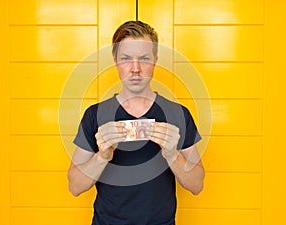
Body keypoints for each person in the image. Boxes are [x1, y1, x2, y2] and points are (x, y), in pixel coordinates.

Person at [67, 20, 205, 225]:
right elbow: (75, 187)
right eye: (126, 59)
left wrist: (172, 154)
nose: (135, 68)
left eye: (144, 59)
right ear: (115, 61)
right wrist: (102, 156)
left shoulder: (177, 114)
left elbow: (196, 185)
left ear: (155, 60)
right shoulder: (95, 115)